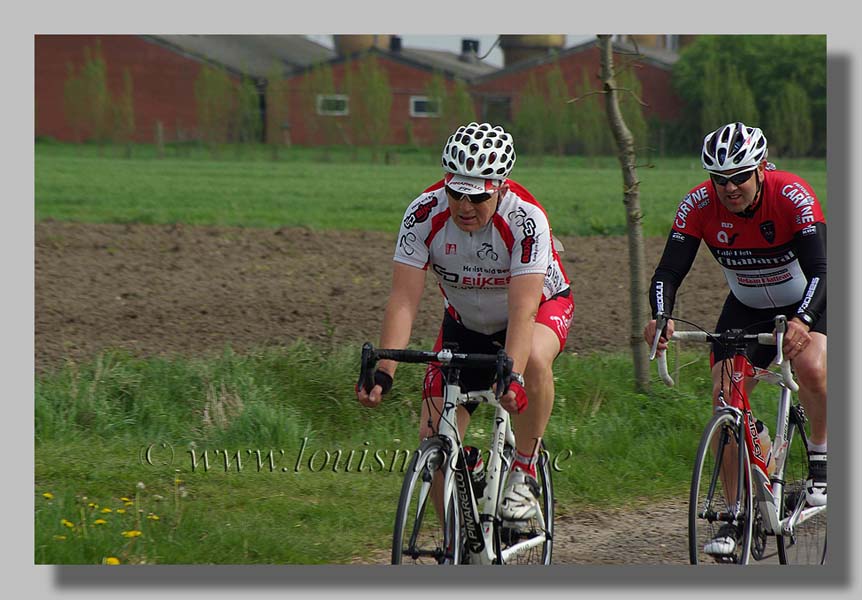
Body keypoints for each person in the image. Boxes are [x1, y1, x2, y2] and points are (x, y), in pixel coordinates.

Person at [356, 122, 573, 522]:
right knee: (433, 438)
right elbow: (404, 299)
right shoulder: (423, 213)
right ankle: (457, 550)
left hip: (536, 310)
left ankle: (524, 473)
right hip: (464, 322)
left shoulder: (527, 219)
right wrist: (385, 371)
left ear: (501, 188)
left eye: (477, 197)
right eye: (456, 193)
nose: (464, 207)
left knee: (537, 360)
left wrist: (514, 374)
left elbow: (523, 309)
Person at [643, 122, 827, 557]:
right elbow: (668, 272)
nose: (729, 188)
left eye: (739, 176)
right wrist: (661, 316)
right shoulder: (698, 205)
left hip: (808, 299)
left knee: (812, 365)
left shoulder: (791, 194)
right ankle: (734, 515)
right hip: (746, 306)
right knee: (726, 399)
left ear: (761, 169)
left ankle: (820, 459)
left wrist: (803, 319)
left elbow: (824, 269)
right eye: (719, 179)